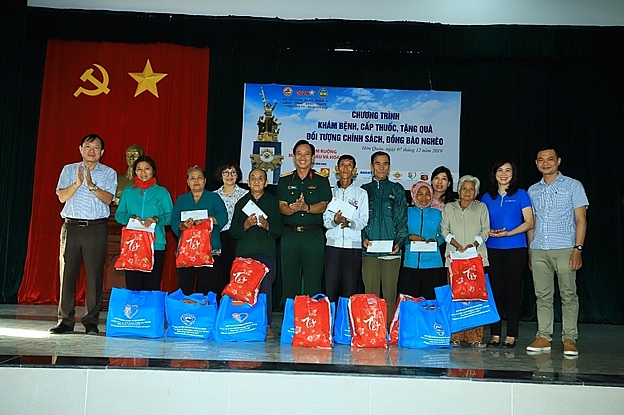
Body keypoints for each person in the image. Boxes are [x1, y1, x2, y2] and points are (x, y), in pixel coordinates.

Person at [50, 133, 117, 335]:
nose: (92, 151)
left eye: (96, 147)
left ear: (102, 152)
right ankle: (65, 320)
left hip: (96, 228)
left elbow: (108, 199)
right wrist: (77, 184)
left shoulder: (108, 173)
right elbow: (62, 197)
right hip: (71, 227)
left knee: (95, 276)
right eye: (88, 146)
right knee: (67, 275)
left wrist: (91, 186)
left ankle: (91, 322)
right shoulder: (69, 170)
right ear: (80, 149)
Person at [526, 144, 588, 357]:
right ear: (536, 163)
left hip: (565, 248)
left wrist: (578, 249)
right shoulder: (532, 190)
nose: (546, 163)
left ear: (558, 161)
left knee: (568, 295)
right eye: (541, 160)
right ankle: (543, 336)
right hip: (539, 249)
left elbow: (581, 220)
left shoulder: (573, 186)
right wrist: (530, 252)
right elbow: (531, 223)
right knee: (542, 295)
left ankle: (569, 338)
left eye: (550, 159)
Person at [481, 158, 534, 348]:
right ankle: (495, 334)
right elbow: (482, 223)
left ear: (513, 174)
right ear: (494, 174)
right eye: (500, 170)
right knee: (495, 293)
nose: (504, 174)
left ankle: (511, 335)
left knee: (512, 293)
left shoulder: (521, 195)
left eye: (508, 170)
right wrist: (488, 231)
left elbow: (530, 222)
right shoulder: (486, 197)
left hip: (515, 250)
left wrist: (509, 233)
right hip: (492, 251)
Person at [230, 168, 285, 337]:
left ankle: (265, 325)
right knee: (243, 289)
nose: (256, 181)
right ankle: (242, 323)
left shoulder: (272, 203)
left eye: (260, 178)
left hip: (266, 254)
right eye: (253, 178)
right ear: (248, 182)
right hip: (245, 253)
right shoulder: (241, 203)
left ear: (266, 183)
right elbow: (233, 231)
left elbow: (280, 230)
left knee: (265, 288)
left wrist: (268, 226)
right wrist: (246, 225)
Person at [277, 140, 331, 299]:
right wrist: (291, 209)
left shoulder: (321, 180)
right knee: (289, 282)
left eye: (307, 154)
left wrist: (305, 208)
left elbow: (323, 205)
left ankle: (311, 321)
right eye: (299, 153)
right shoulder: (285, 180)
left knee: (313, 282)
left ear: (313, 158)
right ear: (293, 156)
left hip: (313, 237)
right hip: (289, 236)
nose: (302, 157)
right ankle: (290, 320)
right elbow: (281, 206)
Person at [441, 175, 490, 348]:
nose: (467, 192)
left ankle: (475, 337)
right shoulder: (449, 207)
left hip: (475, 259)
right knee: (456, 299)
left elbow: (486, 230)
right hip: (454, 260)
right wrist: (457, 244)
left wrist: (473, 244)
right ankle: (456, 336)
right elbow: (443, 230)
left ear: (475, 192)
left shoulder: (481, 207)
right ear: (459, 190)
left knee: (475, 298)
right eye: (464, 188)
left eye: (471, 189)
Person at [361, 151, 408, 322]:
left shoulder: (396, 189)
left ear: (389, 166)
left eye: (385, 163)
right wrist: (363, 239)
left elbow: (402, 220)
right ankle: (372, 331)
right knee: (370, 294)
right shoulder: (364, 190)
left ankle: (387, 331)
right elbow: (359, 220)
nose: (381, 167)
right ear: (372, 166)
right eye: (378, 163)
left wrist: (399, 242)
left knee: (389, 293)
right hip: (369, 251)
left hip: (391, 252)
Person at [116, 155, 173, 291]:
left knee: (151, 284)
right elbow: (119, 215)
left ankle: (149, 313)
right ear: (135, 171)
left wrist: (157, 219)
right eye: (139, 169)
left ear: (153, 171)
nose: (143, 172)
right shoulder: (128, 192)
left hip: (155, 245)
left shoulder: (162, 192)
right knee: (133, 285)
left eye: (147, 169)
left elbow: (171, 216)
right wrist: (131, 218)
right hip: (133, 246)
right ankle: (134, 312)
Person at [171, 166, 228, 296]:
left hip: (209, 249)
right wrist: (182, 225)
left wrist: (208, 220)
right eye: (192, 178)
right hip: (187, 250)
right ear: (187, 182)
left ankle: (204, 315)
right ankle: (186, 314)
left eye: (199, 178)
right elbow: (174, 220)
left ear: (205, 180)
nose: (196, 181)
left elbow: (223, 217)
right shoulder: (181, 199)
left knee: (207, 287)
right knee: (185, 287)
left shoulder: (214, 198)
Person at [323, 154, 369, 303]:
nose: (345, 168)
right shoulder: (329, 192)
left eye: (349, 165)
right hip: (332, 247)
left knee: (349, 292)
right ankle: (330, 325)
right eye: (342, 164)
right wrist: (335, 222)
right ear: (337, 169)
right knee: (330, 291)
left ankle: (346, 325)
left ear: (354, 170)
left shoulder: (361, 194)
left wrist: (350, 224)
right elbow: (325, 220)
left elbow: (364, 220)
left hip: (352, 249)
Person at [401, 181, 445, 300]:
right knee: (410, 301)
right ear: (414, 195)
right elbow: (400, 234)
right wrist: (409, 237)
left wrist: (436, 241)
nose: (424, 197)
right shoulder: (406, 212)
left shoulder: (438, 213)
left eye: (427, 194)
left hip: (433, 264)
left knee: (431, 302)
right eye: (420, 194)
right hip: (411, 263)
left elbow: (444, 234)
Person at [214, 160, 249, 299]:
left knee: (238, 272)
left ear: (238, 175)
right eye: (226, 172)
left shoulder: (245, 194)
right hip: (219, 237)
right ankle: (218, 305)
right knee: (220, 273)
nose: (229, 175)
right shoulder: (214, 195)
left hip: (239, 237)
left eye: (233, 172)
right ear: (220, 175)